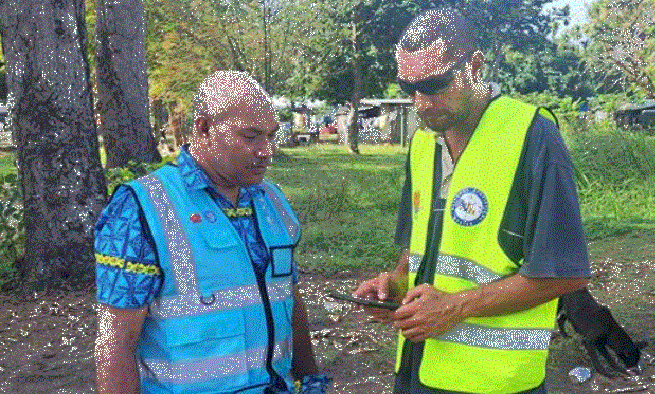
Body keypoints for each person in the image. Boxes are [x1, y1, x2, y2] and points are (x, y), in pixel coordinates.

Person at [353, 8, 590, 394]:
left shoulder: (532, 136)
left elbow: (566, 272)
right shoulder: (421, 144)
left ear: (475, 66)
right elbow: (414, 252)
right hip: (418, 370)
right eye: (408, 88)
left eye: (435, 84)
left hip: (495, 383)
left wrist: (455, 307)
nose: (420, 104)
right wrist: (395, 283)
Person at [93, 71, 331, 394]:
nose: (267, 151)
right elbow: (116, 348)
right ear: (204, 129)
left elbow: (289, 299)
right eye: (251, 137)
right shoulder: (141, 211)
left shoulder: (271, 202)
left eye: (271, 136)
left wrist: (312, 381)